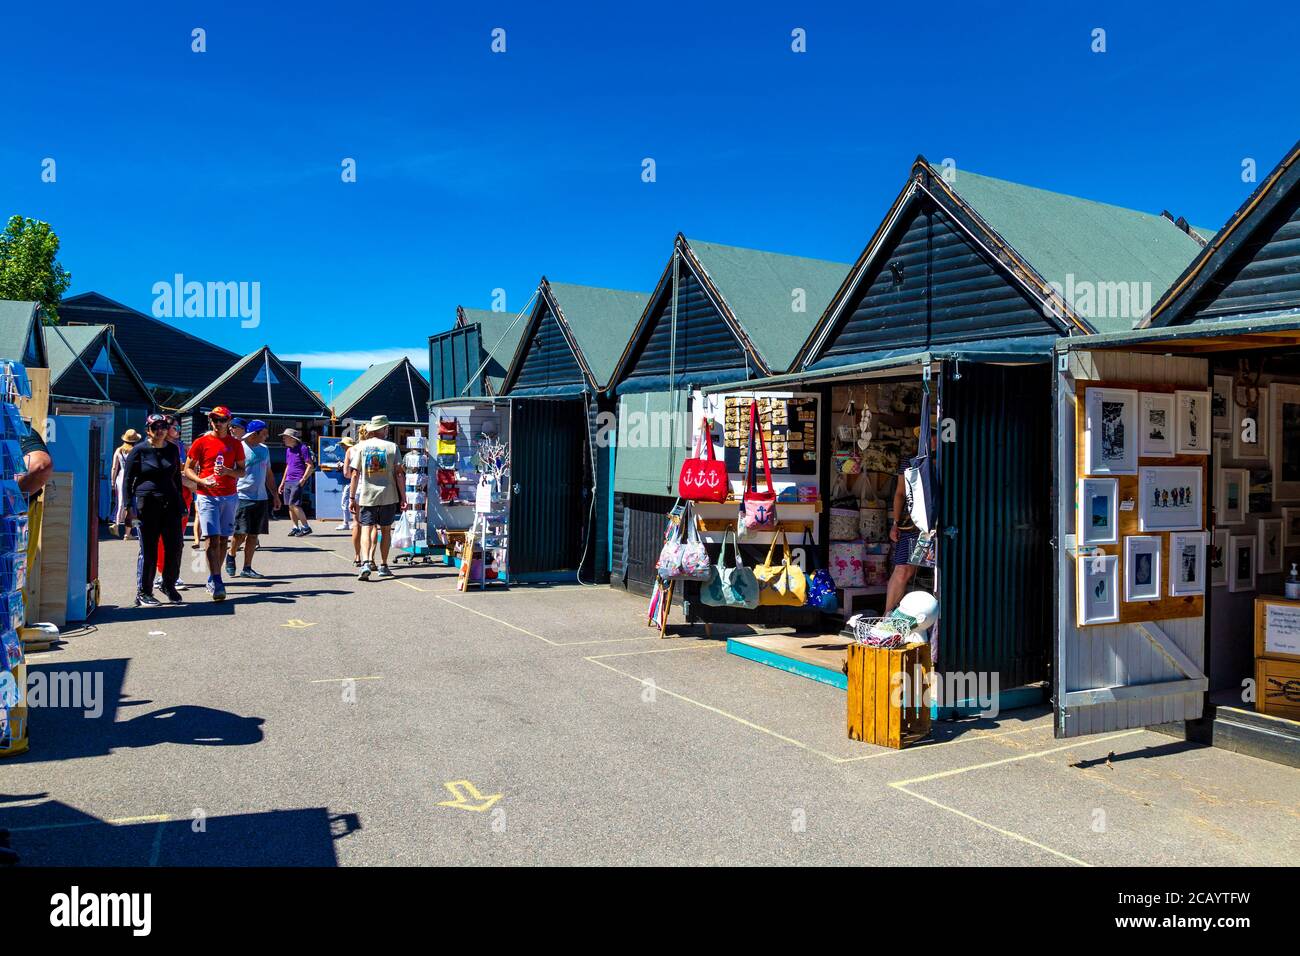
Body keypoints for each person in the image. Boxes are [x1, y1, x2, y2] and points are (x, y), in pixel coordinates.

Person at [183, 406, 246, 601]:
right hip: (207, 494)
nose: (218, 423)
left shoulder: (235, 444)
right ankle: (217, 580)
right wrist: (201, 481)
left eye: (222, 420)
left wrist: (228, 471)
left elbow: (242, 471)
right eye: (214, 419)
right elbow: (188, 469)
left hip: (229, 495)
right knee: (211, 537)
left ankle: (213, 576)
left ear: (229, 421)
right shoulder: (201, 442)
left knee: (224, 539)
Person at [124, 414, 184, 607]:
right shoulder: (139, 451)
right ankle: (144, 592)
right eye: (155, 427)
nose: (160, 430)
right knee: (149, 550)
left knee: (175, 547)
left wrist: (181, 502)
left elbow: (176, 479)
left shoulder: (173, 450)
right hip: (147, 504)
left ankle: (168, 584)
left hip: (171, 503)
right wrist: (127, 507)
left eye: (163, 426)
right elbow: (127, 481)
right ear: (147, 429)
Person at [348, 415, 405, 581]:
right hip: (388, 495)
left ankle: (366, 562)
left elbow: (354, 474)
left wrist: (352, 497)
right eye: (386, 428)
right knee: (386, 530)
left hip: (367, 495)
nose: (387, 430)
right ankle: (384, 565)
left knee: (366, 527)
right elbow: (399, 474)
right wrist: (403, 497)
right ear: (383, 429)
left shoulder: (361, 447)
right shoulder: (392, 447)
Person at [227, 420, 280, 578]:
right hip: (242, 496)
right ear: (255, 434)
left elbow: (269, 474)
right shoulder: (239, 448)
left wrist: (275, 495)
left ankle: (247, 568)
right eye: (264, 433)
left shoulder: (264, 450)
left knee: (253, 535)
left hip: (261, 497)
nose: (267, 436)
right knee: (240, 533)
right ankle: (231, 554)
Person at [279, 428, 315, 536]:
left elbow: (310, 465)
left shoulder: (303, 448)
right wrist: (282, 482)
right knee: (290, 505)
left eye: (285, 437)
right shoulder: (288, 450)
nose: (283, 439)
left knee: (294, 504)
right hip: (289, 480)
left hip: (297, 480)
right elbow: (288, 466)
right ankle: (295, 527)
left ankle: (306, 527)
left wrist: (303, 479)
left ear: (291, 438)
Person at [109, 429, 141, 535]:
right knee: (132, 503)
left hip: (121, 476)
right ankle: (128, 532)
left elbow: (114, 467)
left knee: (121, 502)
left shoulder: (119, 450)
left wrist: (112, 481)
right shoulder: (136, 451)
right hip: (133, 477)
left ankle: (117, 524)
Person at [334, 435, 357, 535]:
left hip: (350, 482)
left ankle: (346, 522)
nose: (342, 447)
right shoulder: (353, 452)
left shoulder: (351, 452)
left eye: (344, 445)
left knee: (346, 501)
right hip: (349, 481)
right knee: (350, 501)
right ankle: (351, 522)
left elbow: (350, 470)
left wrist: (343, 466)